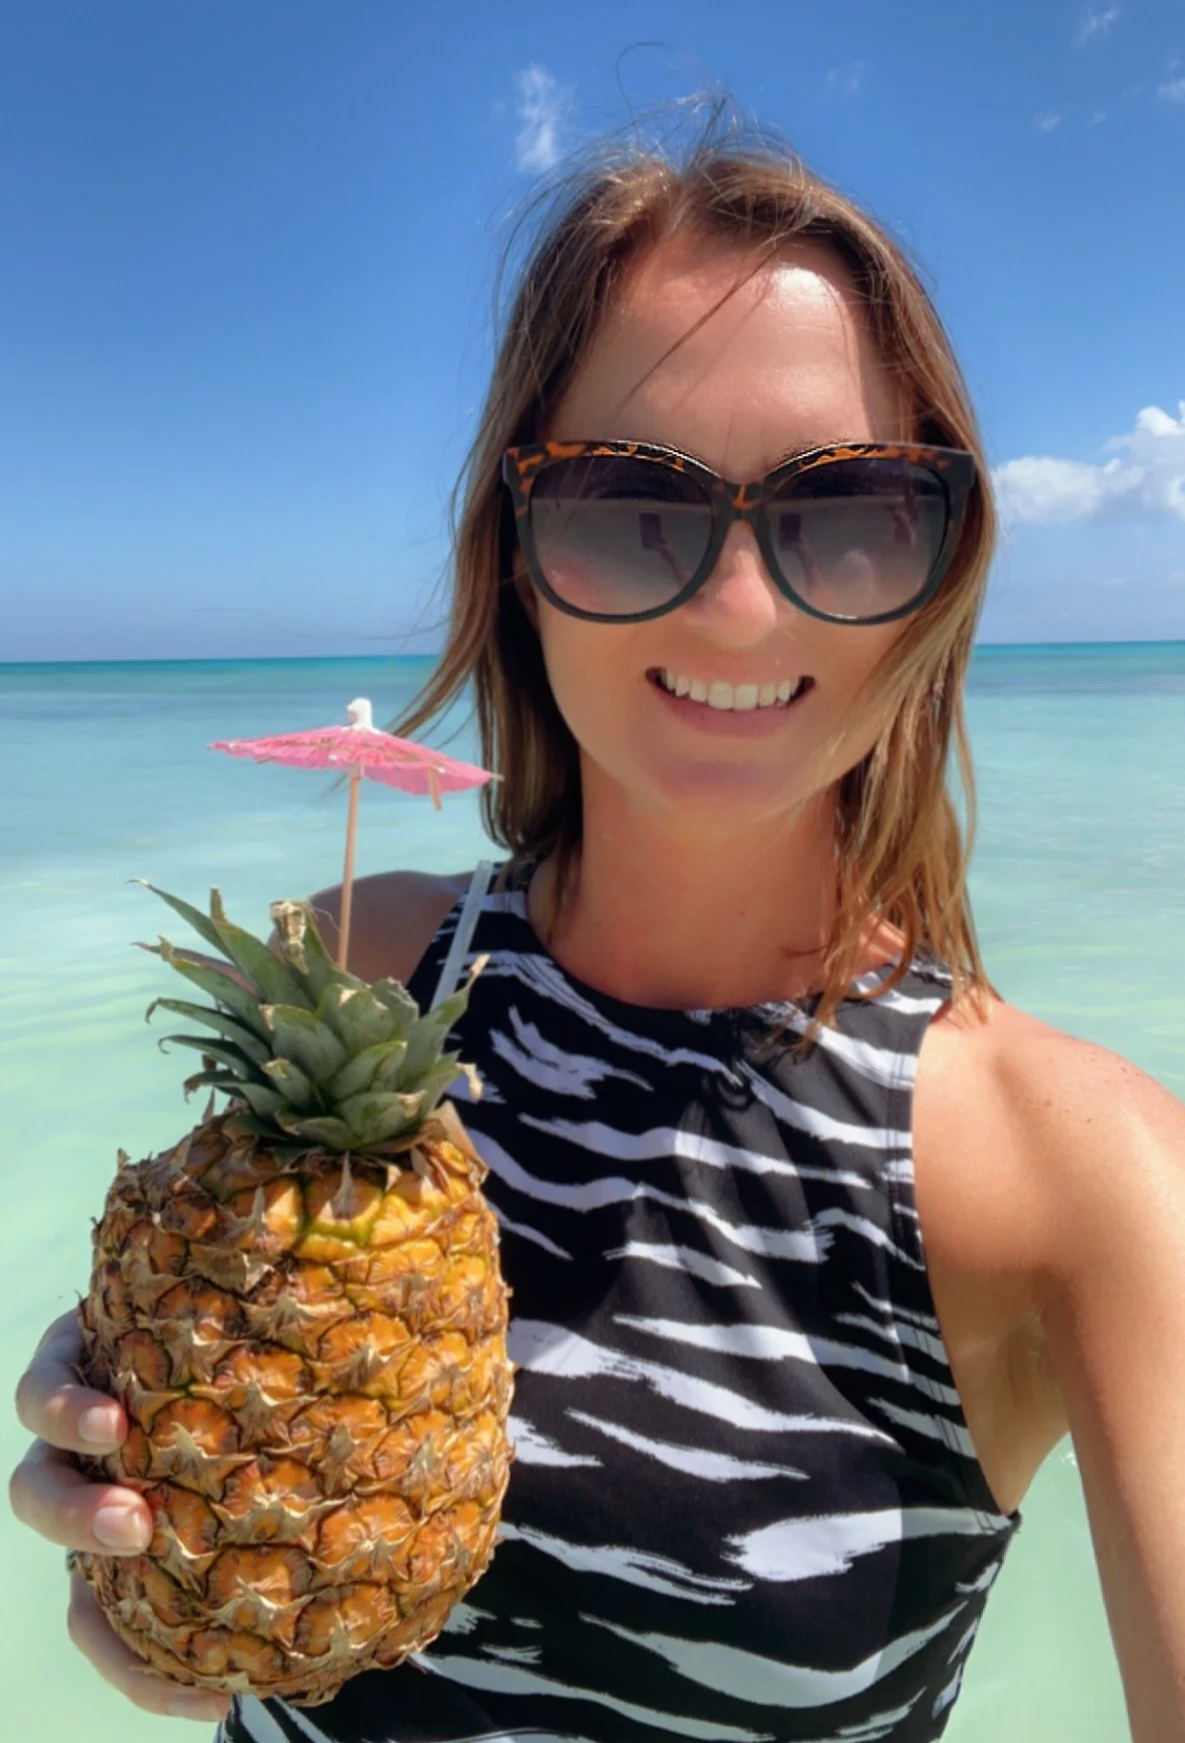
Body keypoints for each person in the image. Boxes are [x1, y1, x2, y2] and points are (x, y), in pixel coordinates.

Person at [10, 107, 1185, 1743]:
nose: (740, 605)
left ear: (935, 566)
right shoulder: (363, 966)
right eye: (634, 502)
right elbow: (184, 1483)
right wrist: (125, 1480)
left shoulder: (1084, 1176)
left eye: (847, 511)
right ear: (517, 551)